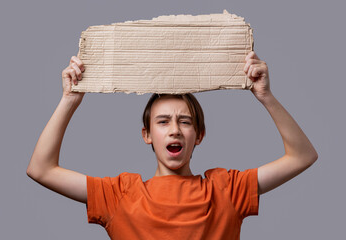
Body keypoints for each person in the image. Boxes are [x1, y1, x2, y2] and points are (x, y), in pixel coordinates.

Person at [27, 51, 318, 239]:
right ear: (147, 135)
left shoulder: (227, 190)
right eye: (163, 121)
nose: (175, 130)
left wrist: (265, 95)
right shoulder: (119, 195)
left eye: (186, 122)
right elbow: (41, 169)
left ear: (199, 135)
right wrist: (69, 99)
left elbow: (302, 156)